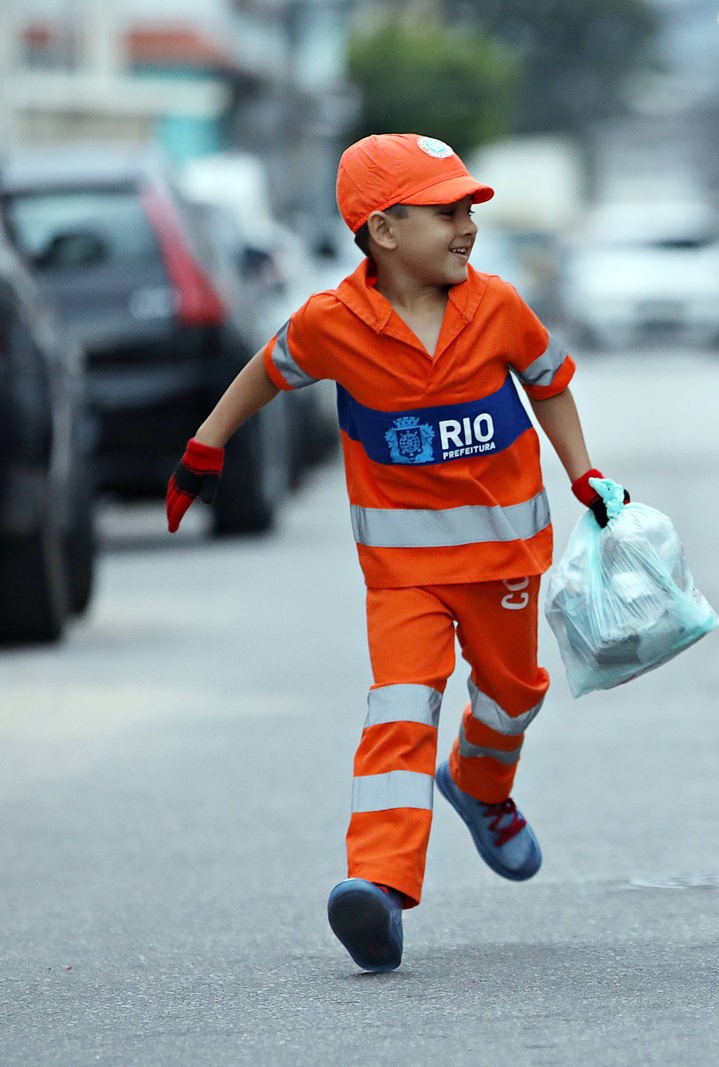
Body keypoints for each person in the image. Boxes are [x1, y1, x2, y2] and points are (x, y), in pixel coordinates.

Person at [164, 133, 625, 973]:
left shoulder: (499, 309)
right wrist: (205, 448)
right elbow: (265, 371)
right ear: (383, 229)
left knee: (515, 695)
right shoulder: (333, 325)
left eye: (468, 210)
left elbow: (551, 381)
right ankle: (376, 887)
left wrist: (585, 471)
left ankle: (481, 787)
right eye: (445, 211)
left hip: (505, 562)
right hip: (403, 576)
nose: (466, 226)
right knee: (399, 713)